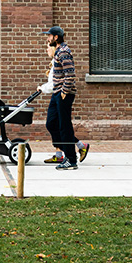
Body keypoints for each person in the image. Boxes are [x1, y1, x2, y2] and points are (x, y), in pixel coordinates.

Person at [39, 25, 89, 168]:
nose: (48, 39)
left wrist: (64, 92)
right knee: (51, 123)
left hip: (63, 94)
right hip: (57, 93)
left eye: (49, 36)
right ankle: (71, 150)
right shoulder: (58, 52)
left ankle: (71, 160)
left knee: (64, 126)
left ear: (56, 37)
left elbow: (70, 74)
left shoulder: (64, 52)